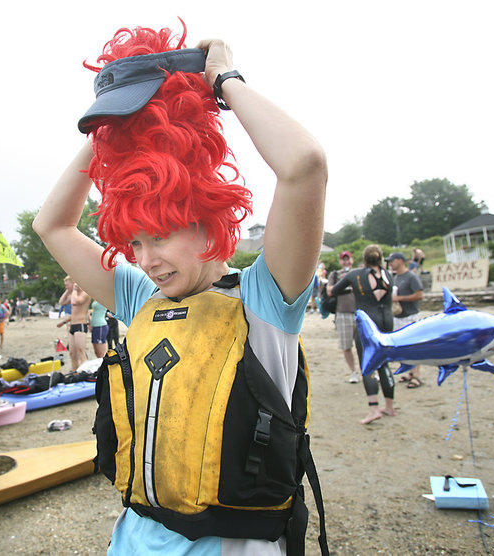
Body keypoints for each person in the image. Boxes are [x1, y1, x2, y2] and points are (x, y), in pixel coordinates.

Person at [33, 24, 327, 555]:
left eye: (161, 235)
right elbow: (51, 225)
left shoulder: (266, 301)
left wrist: (224, 82)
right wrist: (108, 134)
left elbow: (305, 166)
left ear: (209, 223)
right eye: (135, 242)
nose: (146, 261)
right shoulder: (140, 297)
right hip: (133, 538)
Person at [331, 245, 395, 424]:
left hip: (368, 322)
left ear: (364, 259)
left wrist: (354, 289)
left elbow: (334, 290)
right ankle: (389, 406)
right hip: (387, 321)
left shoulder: (355, 275)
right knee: (385, 362)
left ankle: (373, 408)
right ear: (381, 258)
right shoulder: (388, 275)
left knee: (368, 363)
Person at [387, 252, 424, 387]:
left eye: (392, 261)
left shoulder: (411, 277)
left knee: (413, 347)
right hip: (398, 316)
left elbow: (419, 295)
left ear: (400, 261)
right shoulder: (395, 277)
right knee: (402, 347)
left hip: (410, 316)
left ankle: (416, 376)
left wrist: (399, 299)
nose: (390, 263)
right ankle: (409, 372)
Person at [326, 251, 360, 383]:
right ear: (340, 261)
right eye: (343, 260)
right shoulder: (335, 275)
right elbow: (330, 291)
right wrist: (347, 287)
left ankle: (368, 371)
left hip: (360, 312)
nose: (346, 262)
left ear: (352, 260)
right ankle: (353, 372)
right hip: (342, 312)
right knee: (346, 345)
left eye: (348, 259)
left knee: (363, 345)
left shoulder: (359, 273)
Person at [56, 282, 91, 370]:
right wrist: (67, 291)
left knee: (81, 352)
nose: (66, 286)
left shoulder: (85, 293)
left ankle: (85, 372)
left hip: (80, 325)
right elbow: (61, 302)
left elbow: (75, 302)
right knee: (72, 353)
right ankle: (75, 371)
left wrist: (74, 290)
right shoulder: (73, 295)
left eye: (67, 284)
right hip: (73, 325)